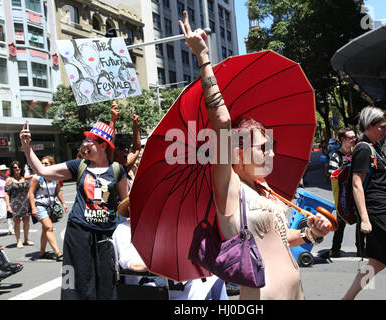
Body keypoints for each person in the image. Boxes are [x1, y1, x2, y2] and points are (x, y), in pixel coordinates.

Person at [178, 11, 331, 300]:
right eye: (263, 147)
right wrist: (203, 58)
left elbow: (278, 241)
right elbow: (222, 123)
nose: (271, 152)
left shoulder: (265, 188)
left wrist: (312, 233)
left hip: (297, 293)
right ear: (237, 152)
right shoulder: (229, 188)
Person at [19, 118, 128, 300]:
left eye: (89, 141)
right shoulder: (78, 166)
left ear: (103, 145)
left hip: (107, 235)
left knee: (107, 282)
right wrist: (26, 145)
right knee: (77, 281)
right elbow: (42, 171)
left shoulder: (117, 170)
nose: (84, 145)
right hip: (79, 232)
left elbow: (126, 203)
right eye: (84, 141)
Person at [342, 106, 386, 300]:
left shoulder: (374, 147)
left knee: (376, 263)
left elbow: (377, 184)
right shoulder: (364, 148)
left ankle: (346, 299)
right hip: (381, 216)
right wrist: (365, 219)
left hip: (384, 213)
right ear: (369, 126)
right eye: (382, 126)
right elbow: (357, 184)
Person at [112, 197, 228, 300]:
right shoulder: (123, 231)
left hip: (174, 282)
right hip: (148, 287)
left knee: (213, 276)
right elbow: (134, 265)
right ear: (129, 208)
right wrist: (165, 260)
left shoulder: (158, 229)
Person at [323, 127, 365, 258]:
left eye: (354, 137)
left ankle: (361, 249)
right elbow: (332, 176)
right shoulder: (336, 157)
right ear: (343, 140)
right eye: (351, 138)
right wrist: (344, 170)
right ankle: (335, 249)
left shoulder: (356, 153)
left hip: (357, 193)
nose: (354, 140)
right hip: (343, 195)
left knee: (360, 221)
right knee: (340, 222)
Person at [28, 156, 68, 261]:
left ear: (52, 164)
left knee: (45, 229)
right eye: (42, 163)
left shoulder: (55, 177)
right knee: (49, 227)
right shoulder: (37, 177)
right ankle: (58, 252)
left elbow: (58, 191)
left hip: (50, 206)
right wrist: (33, 208)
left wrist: (63, 203)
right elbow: (31, 193)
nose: (43, 165)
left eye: (46, 163)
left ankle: (42, 253)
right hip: (39, 205)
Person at [5, 161, 32, 248]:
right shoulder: (9, 179)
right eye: (15, 167)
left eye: (18, 167)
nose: (17, 169)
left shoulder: (24, 179)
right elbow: (6, 194)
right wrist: (8, 206)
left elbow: (28, 192)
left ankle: (26, 239)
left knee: (26, 222)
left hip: (25, 203)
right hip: (15, 204)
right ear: (12, 169)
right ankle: (18, 240)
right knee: (17, 223)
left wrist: (30, 203)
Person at [0, 165, 13, 234]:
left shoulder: (9, 178)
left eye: (5, 170)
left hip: (9, 197)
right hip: (0, 198)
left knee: (10, 214)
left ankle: (10, 229)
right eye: (2, 170)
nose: (4, 171)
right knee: (2, 215)